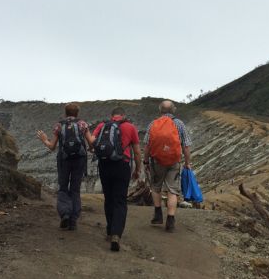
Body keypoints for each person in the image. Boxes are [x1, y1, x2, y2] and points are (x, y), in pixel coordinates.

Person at [36, 102, 95, 230]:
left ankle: (65, 214)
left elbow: (52, 147)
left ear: (65, 113)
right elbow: (91, 142)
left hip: (64, 159)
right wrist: (90, 148)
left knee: (63, 187)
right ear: (77, 113)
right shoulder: (82, 124)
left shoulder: (59, 126)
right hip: (79, 159)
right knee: (75, 189)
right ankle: (73, 220)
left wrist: (44, 139)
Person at [91, 107, 142, 252]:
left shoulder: (102, 125)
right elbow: (137, 152)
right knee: (120, 200)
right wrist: (138, 169)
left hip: (104, 165)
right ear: (123, 115)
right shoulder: (130, 127)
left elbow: (92, 142)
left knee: (108, 198)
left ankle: (109, 230)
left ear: (112, 116)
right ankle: (116, 234)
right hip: (122, 165)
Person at [143, 100, 192, 232]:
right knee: (172, 191)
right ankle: (170, 220)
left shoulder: (153, 124)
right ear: (173, 110)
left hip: (157, 161)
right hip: (174, 161)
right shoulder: (179, 124)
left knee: (156, 187)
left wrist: (145, 161)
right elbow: (186, 146)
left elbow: (147, 146)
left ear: (160, 110)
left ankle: (158, 214)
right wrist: (187, 163)